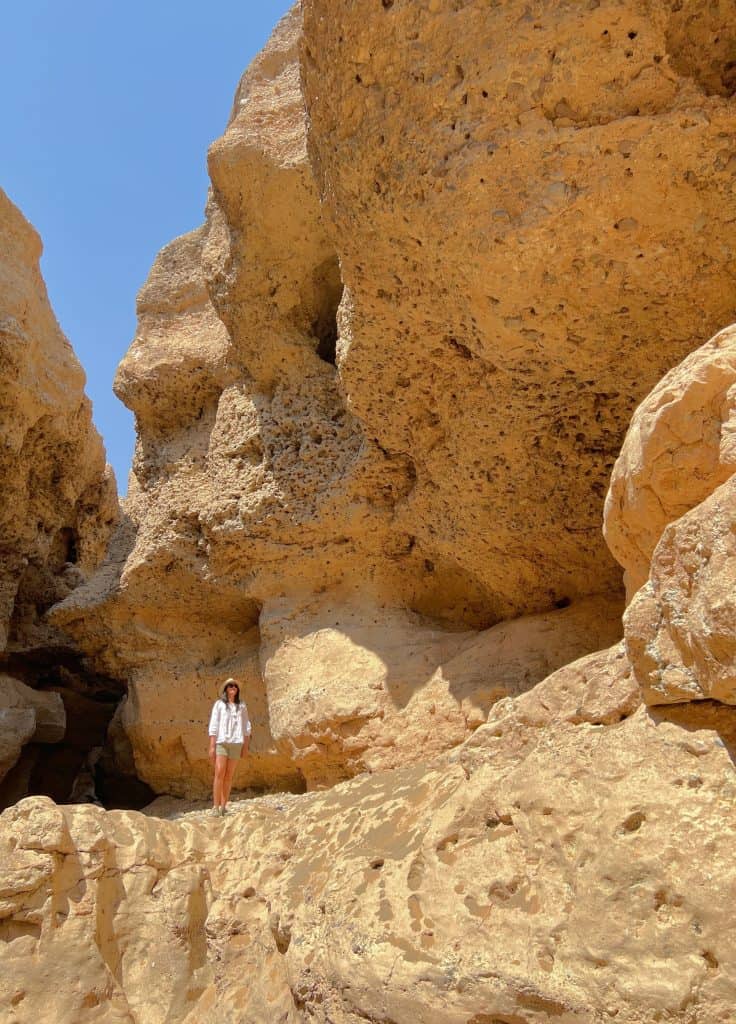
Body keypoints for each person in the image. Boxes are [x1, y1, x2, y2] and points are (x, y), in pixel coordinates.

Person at [208, 678, 251, 816]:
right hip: (222, 742)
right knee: (219, 772)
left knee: (229, 776)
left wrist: (245, 747)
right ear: (226, 689)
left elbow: (246, 726)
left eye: (235, 686)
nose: (233, 687)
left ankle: (224, 807)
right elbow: (214, 724)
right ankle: (215, 807)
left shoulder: (242, 706)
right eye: (230, 686)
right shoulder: (219, 704)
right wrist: (212, 746)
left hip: (236, 743)